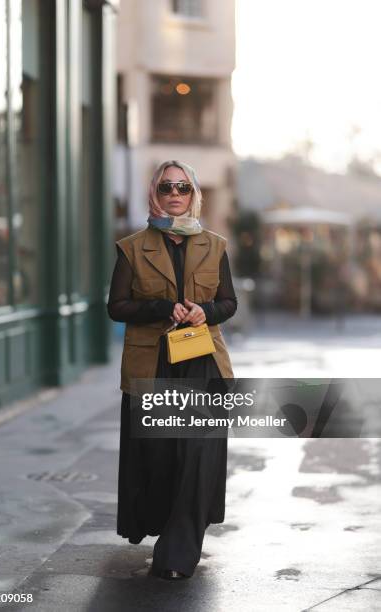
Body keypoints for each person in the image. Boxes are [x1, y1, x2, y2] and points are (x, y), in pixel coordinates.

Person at [107, 160, 237, 580]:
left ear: (195, 193)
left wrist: (205, 310)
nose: (175, 193)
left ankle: (179, 551)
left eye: (183, 186)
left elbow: (229, 303)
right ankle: (166, 530)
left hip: (202, 361)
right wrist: (163, 308)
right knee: (163, 456)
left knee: (198, 454)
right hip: (155, 362)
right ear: (155, 193)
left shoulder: (215, 245)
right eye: (166, 186)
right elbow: (116, 307)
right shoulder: (132, 247)